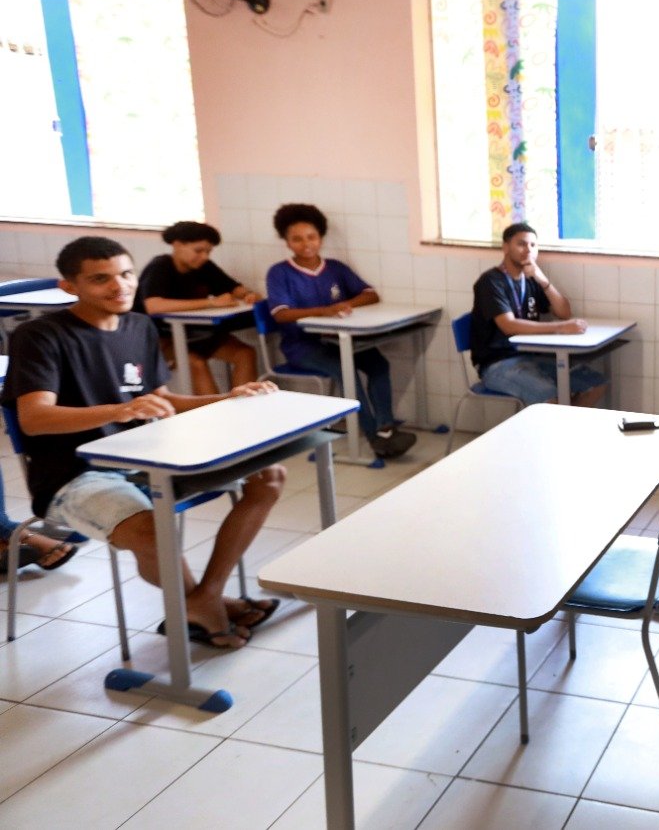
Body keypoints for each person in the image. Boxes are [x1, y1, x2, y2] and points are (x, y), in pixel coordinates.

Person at [0, 237, 286, 649]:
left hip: (146, 457)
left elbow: (162, 400)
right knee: (152, 531)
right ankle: (206, 607)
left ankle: (205, 598)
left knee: (269, 475)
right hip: (73, 475)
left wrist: (228, 397)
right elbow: (34, 418)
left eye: (126, 274)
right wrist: (118, 411)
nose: (119, 286)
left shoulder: (139, 325)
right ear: (69, 287)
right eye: (101, 279)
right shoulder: (40, 335)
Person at [264, 203, 416, 459]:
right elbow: (281, 314)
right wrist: (324, 311)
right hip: (302, 346)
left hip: (341, 340)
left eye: (311, 237)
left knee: (378, 364)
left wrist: (346, 305)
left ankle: (386, 427)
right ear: (287, 242)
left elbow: (370, 294)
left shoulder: (335, 267)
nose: (306, 244)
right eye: (297, 239)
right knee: (346, 371)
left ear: (321, 238)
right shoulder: (280, 273)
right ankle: (373, 436)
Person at [468, 223, 608, 406]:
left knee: (596, 384)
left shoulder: (530, 279)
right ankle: (558, 420)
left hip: (531, 357)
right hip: (497, 363)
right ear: (505, 247)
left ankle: (565, 423)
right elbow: (509, 326)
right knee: (550, 397)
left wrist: (542, 279)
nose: (528, 250)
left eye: (533, 245)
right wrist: (560, 328)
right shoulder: (491, 282)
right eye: (521, 244)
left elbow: (564, 312)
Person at [135, 220, 261, 394]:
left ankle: (246, 404)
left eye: (208, 252)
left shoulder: (204, 267)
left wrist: (248, 294)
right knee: (196, 364)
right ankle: (216, 410)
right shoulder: (160, 267)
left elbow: (233, 287)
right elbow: (154, 306)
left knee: (245, 353)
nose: (204, 257)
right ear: (177, 245)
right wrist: (211, 303)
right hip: (160, 339)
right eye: (198, 251)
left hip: (196, 334)